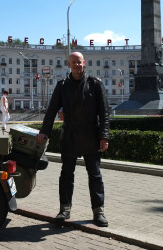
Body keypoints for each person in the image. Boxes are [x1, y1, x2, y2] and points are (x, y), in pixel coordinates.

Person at [36, 52, 110, 227]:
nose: (77, 65)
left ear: (84, 63)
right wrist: (44, 131)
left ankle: (98, 212)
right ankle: (64, 210)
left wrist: (104, 136)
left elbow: (105, 113)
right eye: (74, 63)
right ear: (69, 65)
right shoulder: (62, 86)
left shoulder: (95, 85)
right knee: (66, 176)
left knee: (95, 176)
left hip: (91, 137)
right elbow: (52, 110)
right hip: (69, 137)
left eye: (80, 62)